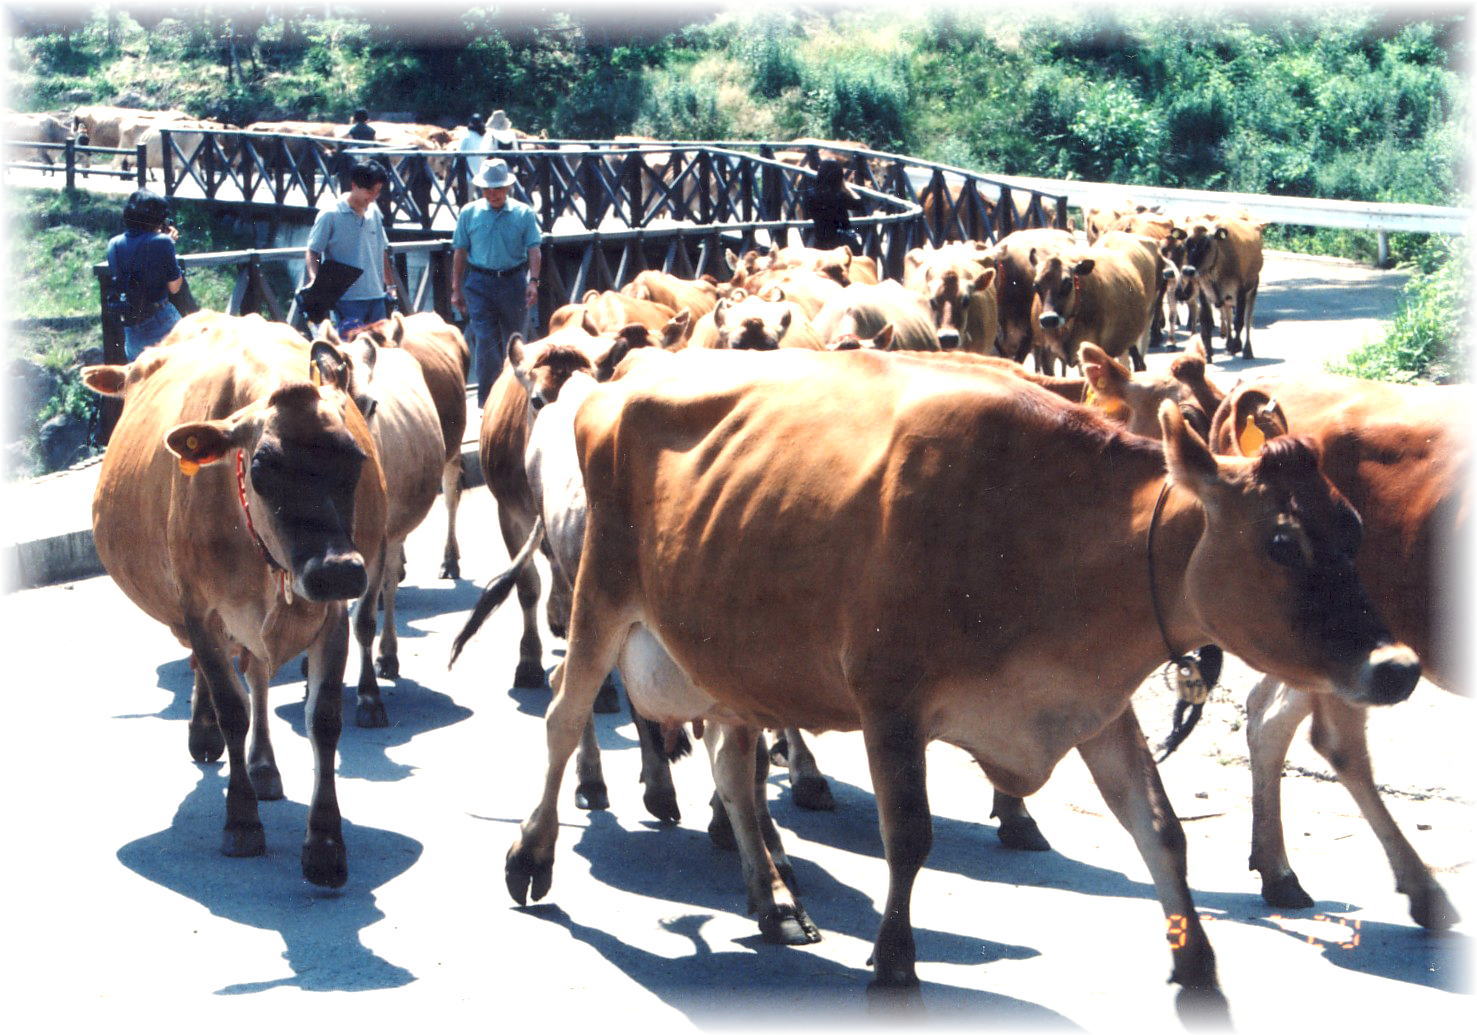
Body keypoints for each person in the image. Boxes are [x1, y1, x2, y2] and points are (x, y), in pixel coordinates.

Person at [451, 157, 541, 406]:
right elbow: (459, 251)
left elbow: (534, 249)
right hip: (479, 283)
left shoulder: (524, 213)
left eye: (498, 188)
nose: (493, 194)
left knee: (515, 343)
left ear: (508, 187)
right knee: (485, 342)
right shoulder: (469, 213)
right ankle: (488, 402)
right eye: (488, 189)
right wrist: (456, 289)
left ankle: (515, 399)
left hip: (513, 282)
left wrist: (533, 281)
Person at [305, 160, 398, 336]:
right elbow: (313, 251)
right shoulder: (330, 214)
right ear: (354, 185)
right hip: (346, 300)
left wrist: (391, 285)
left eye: (377, 192)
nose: (372, 197)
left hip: (376, 297)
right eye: (369, 191)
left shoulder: (374, 212)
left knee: (382, 351)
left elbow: (382, 250)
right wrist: (315, 281)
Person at [106, 189, 185, 360]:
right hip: (161, 322)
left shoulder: (114, 244)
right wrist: (170, 244)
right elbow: (175, 287)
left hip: (131, 329)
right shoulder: (163, 242)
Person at [800, 158, 866, 252]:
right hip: (841, 243)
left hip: (819, 242)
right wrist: (846, 187)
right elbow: (859, 204)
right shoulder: (840, 196)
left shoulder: (811, 195)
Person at [451, 113, 487, 205]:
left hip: (468, 175)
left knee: (466, 203)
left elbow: (459, 154)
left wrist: (454, 170)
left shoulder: (466, 136)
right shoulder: (484, 136)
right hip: (482, 174)